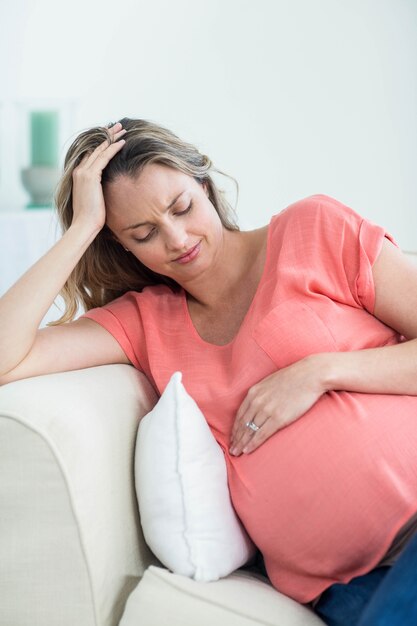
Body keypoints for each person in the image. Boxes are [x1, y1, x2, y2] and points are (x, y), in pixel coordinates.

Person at [1, 117, 417, 626]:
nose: (177, 239)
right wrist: (84, 226)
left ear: (203, 181)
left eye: (182, 207)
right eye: (144, 233)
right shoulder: (144, 322)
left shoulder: (313, 229)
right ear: (120, 245)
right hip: (344, 586)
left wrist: (320, 371)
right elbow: (6, 358)